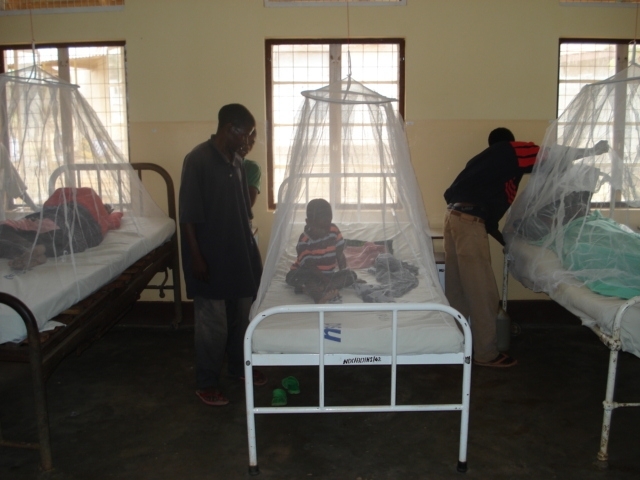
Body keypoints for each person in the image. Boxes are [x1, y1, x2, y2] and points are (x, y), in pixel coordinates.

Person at [443, 127, 609, 368]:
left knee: (458, 287)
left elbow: (456, 198)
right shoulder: (510, 150)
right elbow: (554, 154)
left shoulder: (481, 163)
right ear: (510, 142)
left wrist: (504, 240)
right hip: (469, 221)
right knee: (482, 292)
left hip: (453, 219)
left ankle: (456, 345)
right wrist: (591, 151)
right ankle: (486, 354)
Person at [179, 103, 265, 407]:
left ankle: (238, 368)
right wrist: (196, 257)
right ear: (230, 129)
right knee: (213, 325)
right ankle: (207, 382)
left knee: (242, 316)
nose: (249, 140)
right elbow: (187, 216)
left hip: (238, 252)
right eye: (247, 133)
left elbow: (243, 211)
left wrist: (251, 253)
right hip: (209, 257)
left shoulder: (237, 162)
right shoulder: (198, 160)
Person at [1, 187, 122, 270]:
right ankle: (41, 249)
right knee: (63, 241)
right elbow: (116, 220)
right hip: (63, 230)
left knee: (9, 229)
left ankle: (29, 249)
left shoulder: (89, 193)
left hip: (50, 221)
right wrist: (113, 214)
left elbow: (54, 198)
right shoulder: (104, 219)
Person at [286, 198, 357, 304]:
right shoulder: (304, 240)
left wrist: (343, 272)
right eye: (320, 228)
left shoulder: (333, 231)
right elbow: (310, 266)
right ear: (308, 222)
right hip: (308, 273)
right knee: (298, 278)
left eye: (327, 226)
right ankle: (319, 298)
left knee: (351, 275)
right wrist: (326, 281)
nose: (325, 231)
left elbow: (340, 254)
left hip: (328, 275)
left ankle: (318, 288)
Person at [239, 129, 261, 208]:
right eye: (243, 141)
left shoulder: (252, 167)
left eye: (251, 143)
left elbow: (247, 204)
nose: (247, 146)